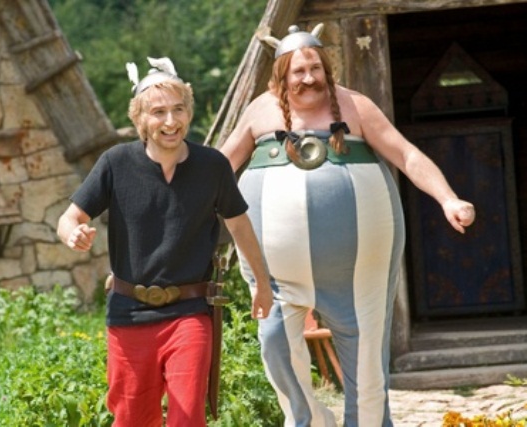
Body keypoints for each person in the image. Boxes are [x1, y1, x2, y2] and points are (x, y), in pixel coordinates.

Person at [220, 25, 476, 427]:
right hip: (277, 275)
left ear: (326, 68)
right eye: (299, 71)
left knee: (366, 361)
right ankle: (310, 421)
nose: (309, 78)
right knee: (274, 346)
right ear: (282, 74)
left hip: (358, 270)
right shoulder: (260, 110)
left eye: (315, 69)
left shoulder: (356, 106)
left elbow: (406, 155)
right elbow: (219, 167)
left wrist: (448, 198)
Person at [57, 57, 273, 427]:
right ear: (140, 119)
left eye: (178, 109)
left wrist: (262, 285)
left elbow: (240, 226)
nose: (170, 121)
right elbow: (69, 217)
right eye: (158, 112)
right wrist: (72, 233)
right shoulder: (115, 163)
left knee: (187, 418)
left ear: (188, 112)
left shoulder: (213, 166)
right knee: (132, 420)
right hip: (128, 314)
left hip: (189, 313)